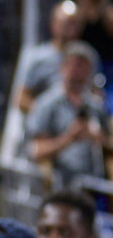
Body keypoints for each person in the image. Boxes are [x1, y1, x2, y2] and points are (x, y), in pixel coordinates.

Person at [27, 40, 110, 186]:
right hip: (61, 186)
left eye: (84, 67)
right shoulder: (46, 105)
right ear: (63, 67)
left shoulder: (96, 106)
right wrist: (68, 138)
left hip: (94, 186)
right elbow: (36, 151)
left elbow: (109, 143)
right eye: (75, 65)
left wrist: (97, 137)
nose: (79, 73)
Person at [17, 1, 83, 114]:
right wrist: (45, 115)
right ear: (53, 24)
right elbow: (21, 99)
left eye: (73, 23)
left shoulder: (87, 57)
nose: (68, 28)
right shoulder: (37, 58)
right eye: (64, 23)